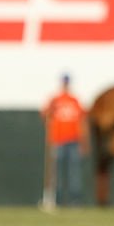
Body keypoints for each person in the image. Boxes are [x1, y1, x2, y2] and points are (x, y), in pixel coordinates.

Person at [40, 74, 89, 207]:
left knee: (74, 173)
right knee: (57, 173)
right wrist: (49, 111)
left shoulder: (74, 100)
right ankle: (58, 199)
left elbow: (81, 121)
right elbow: (44, 114)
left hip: (73, 140)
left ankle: (75, 200)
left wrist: (83, 142)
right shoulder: (55, 100)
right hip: (58, 140)